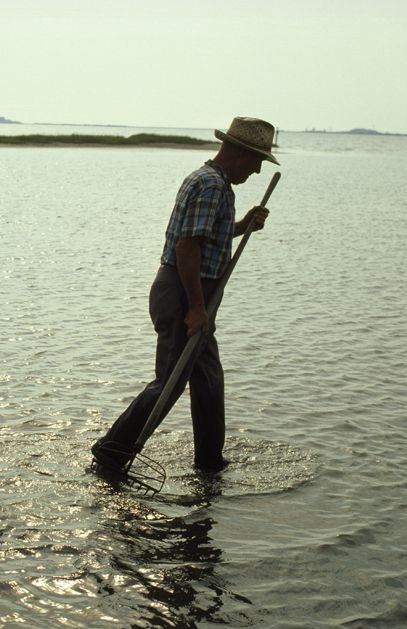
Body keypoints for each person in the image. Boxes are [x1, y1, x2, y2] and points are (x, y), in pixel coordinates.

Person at [92, 116, 279, 478]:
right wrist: (195, 308)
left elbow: (205, 238)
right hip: (182, 291)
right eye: (257, 161)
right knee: (171, 380)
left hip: (194, 291)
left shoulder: (217, 184)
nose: (257, 171)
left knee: (208, 380)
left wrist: (244, 226)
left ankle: (209, 462)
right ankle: (111, 452)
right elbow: (187, 248)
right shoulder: (211, 185)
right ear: (239, 152)